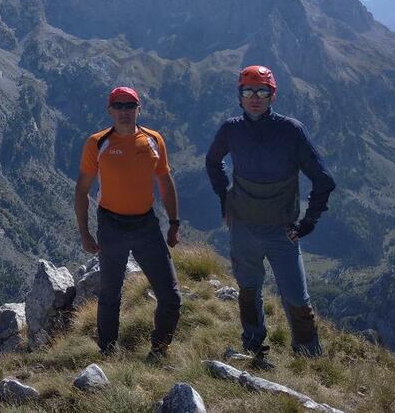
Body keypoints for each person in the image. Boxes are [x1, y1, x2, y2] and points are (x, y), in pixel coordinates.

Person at [205, 65, 336, 365]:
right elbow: (212, 161)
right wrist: (225, 199)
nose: (255, 97)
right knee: (248, 290)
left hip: (281, 230)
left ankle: (308, 358)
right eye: (248, 91)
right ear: (239, 96)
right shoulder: (231, 129)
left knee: (297, 298)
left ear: (272, 96)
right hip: (243, 226)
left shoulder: (290, 131)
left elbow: (324, 180)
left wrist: (306, 223)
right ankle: (252, 345)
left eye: (262, 91)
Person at [75, 86, 182, 360]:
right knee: (110, 295)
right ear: (110, 111)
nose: (124, 111)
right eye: (119, 106)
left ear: (138, 109)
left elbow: (166, 183)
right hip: (111, 226)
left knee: (171, 297)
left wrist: (173, 222)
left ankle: (159, 350)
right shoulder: (97, 143)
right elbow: (82, 189)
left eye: (130, 105)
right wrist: (85, 232)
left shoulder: (153, 140)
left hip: (146, 226)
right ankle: (107, 354)